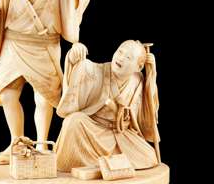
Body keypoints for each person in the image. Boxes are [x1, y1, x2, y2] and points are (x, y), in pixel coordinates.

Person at [0, 0, 92, 163]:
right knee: (7, 94)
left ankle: (42, 144)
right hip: (14, 44)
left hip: (45, 46)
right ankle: (17, 142)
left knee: (44, 98)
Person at [55, 40, 159, 172]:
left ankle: (104, 163)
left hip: (120, 133)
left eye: (128, 57)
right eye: (120, 52)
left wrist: (152, 74)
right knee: (73, 121)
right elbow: (82, 67)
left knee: (149, 157)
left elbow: (147, 107)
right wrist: (73, 56)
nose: (121, 58)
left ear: (138, 68)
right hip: (93, 130)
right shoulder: (96, 71)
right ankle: (105, 164)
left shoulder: (137, 80)